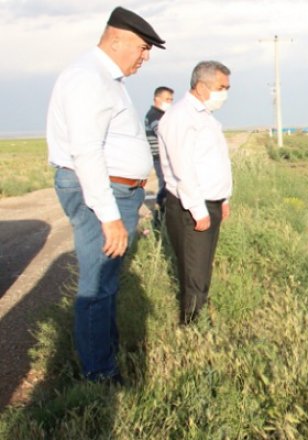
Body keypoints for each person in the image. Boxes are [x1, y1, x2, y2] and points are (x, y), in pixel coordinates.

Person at [46, 6, 164, 383]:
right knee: (97, 284)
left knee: (107, 280)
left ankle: (105, 356)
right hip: (102, 192)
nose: (145, 57)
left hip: (116, 191)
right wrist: (108, 214)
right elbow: (86, 150)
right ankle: (99, 374)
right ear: (116, 39)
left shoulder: (107, 78)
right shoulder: (88, 77)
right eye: (142, 48)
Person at [158, 61, 232, 325]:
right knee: (194, 272)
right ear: (202, 85)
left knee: (202, 269)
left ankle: (199, 319)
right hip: (191, 207)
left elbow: (214, 161)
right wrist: (198, 210)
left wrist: (224, 198)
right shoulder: (181, 117)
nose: (225, 93)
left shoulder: (205, 117)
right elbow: (183, 169)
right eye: (221, 87)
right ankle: (190, 328)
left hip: (209, 203)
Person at [145, 86, 174, 226]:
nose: (170, 102)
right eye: (167, 99)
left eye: (171, 99)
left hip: (165, 157)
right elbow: (164, 134)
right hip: (161, 158)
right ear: (157, 98)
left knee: (167, 185)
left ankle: (164, 214)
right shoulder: (154, 116)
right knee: (166, 186)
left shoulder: (163, 116)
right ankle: (161, 217)